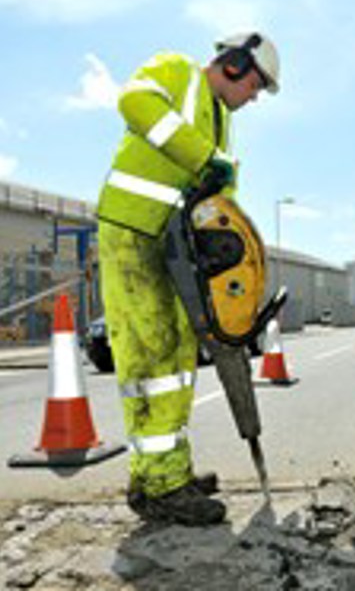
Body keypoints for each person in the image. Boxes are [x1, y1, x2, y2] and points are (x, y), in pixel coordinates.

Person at [96, 31, 280, 525]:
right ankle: (160, 486)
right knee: (151, 354)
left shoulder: (222, 125)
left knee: (176, 358)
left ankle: (165, 471)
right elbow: (133, 101)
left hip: (178, 250)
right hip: (136, 231)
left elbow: (219, 202)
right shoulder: (176, 70)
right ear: (236, 65)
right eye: (256, 85)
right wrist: (202, 157)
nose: (254, 97)